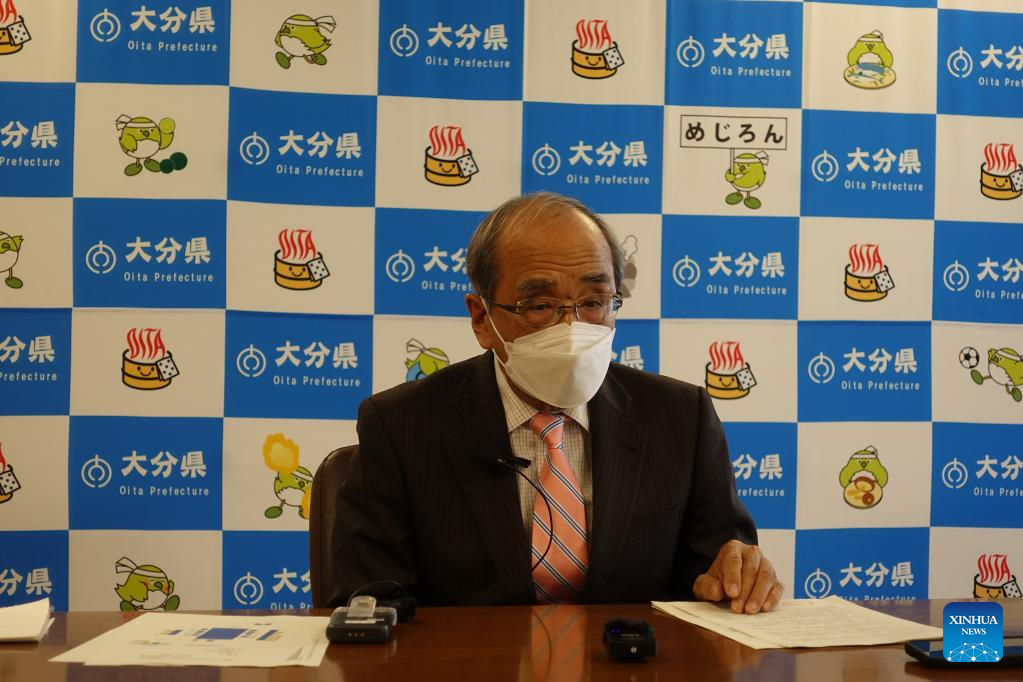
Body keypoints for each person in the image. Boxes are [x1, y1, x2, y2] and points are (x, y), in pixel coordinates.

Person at [329, 192, 782, 613]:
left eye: (594, 302)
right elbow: (369, 602)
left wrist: (735, 574)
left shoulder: (681, 417)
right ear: (482, 319)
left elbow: (716, 569)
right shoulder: (400, 425)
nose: (571, 327)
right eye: (539, 306)